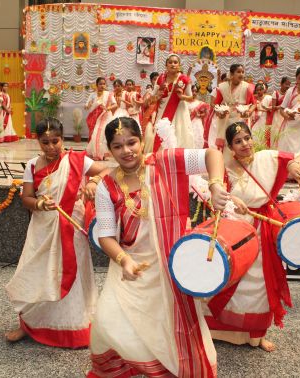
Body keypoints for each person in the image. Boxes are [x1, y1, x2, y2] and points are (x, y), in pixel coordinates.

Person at [88, 117, 228, 377]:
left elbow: (212, 154)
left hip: (169, 264)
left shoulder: (166, 162)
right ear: (109, 150)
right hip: (131, 265)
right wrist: (124, 261)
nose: (126, 151)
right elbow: (106, 235)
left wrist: (215, 184)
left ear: (142, 141)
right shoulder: (106, 186)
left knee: (171, 328)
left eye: (131, 142)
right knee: (107, 321)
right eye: (118, 146)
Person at [204, 122, 300, 352]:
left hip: (262, 230)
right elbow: (214, 193)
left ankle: (256, 336)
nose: (245, 144)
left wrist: (293, 165)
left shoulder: (267, 158)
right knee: (230, 280)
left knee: (260, 284)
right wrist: (231, 199)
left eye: (247, 138)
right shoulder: (225, 167)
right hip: (236, 231)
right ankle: (215, 330)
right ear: (231, 147)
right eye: (238, 141)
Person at [5, 118, 109, 347]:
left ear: (62, 138)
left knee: (71, 272)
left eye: (55, 141)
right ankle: (30, 323)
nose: (51, 146)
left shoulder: (76, 160)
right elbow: (26, 199)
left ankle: (75, 326)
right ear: (37, 141)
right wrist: (40, 204)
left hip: (72, 223)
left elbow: (105, 171)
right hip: (43, 227)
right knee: (40, 272)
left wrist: (93, 183)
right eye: (45, 142)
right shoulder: (32, 165)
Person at [144, 54, 194, 153]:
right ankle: (160, 157)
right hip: (163, 111)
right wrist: (157, 96)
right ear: (166, 64)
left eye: (175, 62)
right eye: (170, 62)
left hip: (180, 111)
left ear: (179, 65)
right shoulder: (161, 78)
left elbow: (191, 98)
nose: (173, 64)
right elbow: (152, 98)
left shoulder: (184, 79)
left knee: (179, 133)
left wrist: (182, 97)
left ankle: (178, 158)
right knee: (161, 134)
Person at [211, 64, 255, 152]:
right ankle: (226, 163)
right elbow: (215, 104)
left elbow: (253, 103)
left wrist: (249, 111)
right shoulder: (222, 87)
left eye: (243, 72)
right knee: (227, 142)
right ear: (231, 74)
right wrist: (219, 112)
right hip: (226, 119)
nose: (241, 74)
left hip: (241, 118)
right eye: (238, 72)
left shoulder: (247, 87)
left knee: (241, 140)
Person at [85, 77, 117, 160]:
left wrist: (108, 108)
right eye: (100, 84)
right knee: (94, 135)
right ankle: (94, 153)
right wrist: (89, 105)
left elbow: (115, 104)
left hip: (105, 117)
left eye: (104, 84)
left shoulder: (109, 94)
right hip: (94, 117)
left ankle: (103, 154)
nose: (102, 85)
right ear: (96, 85)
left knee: (103, 135)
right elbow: (86, 106)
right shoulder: (92, 95)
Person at [270, 77, 291, 149]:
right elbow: (273, 107)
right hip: (277, 116)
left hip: (286, 115)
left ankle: (283, 148)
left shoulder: (289, 94)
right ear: (281, 84)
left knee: (285, 132)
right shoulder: (275, 93)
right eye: (286, 84)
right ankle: (274, 148)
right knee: (276, 132)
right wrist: (282, 106)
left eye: (289, 85)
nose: (288, 86)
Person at [251, 83, 273, 149]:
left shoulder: (268, 98)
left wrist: (265, 109)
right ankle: (256, 149)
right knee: (254, 132)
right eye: (257, 90)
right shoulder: (254, 98)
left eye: (260, 90)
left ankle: (263, 149)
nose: (259, 91)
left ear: (264, 90)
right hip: (255, 119)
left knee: (264, 135)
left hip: (265, 119)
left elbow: (272, 109)